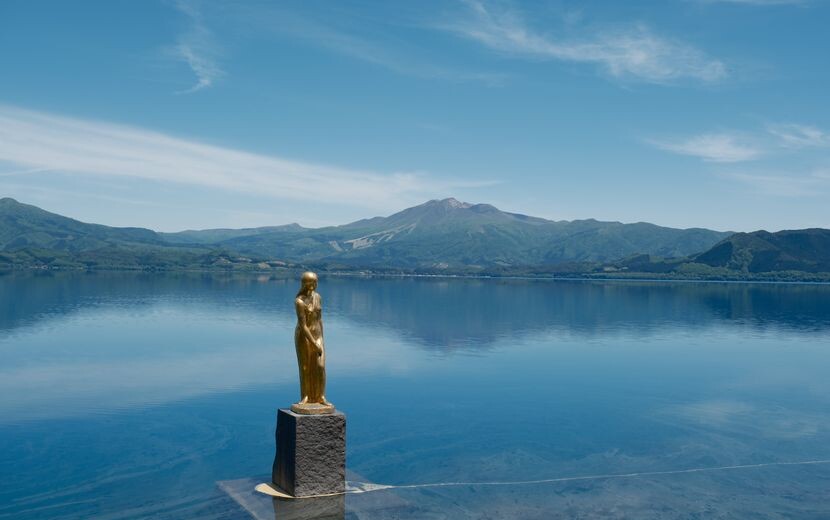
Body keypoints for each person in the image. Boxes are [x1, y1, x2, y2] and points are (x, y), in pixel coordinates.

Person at [293, 271, 332, 409]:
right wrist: (314, 343)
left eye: (315, 282)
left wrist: (321, 339)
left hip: (318, 335)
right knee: (305, 367)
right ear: (304, 284)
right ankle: (306, 396)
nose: (313, 285)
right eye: (310, 282)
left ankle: (321, 396)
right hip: (303, 337)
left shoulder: (318, 297)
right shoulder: (299, 301)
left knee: (320, 366)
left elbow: (320, 319)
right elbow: (303, 326)